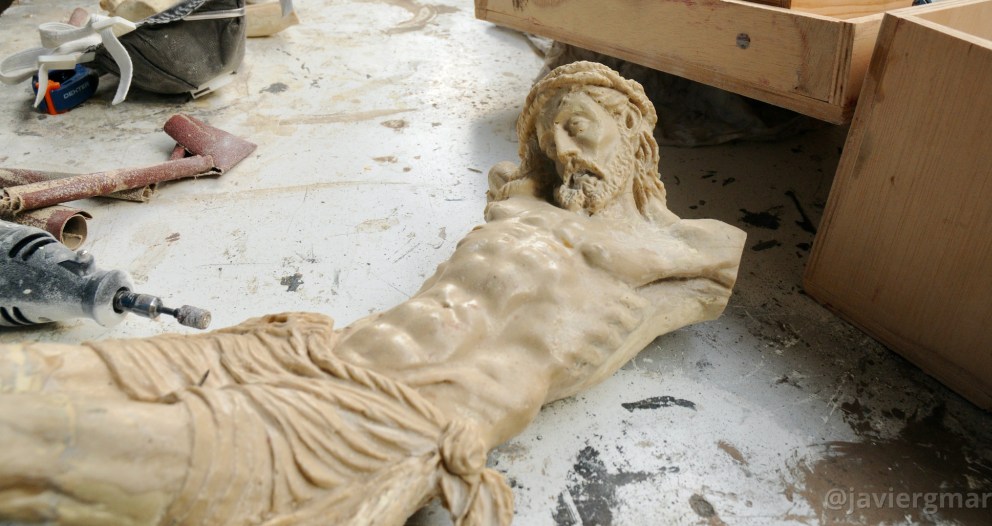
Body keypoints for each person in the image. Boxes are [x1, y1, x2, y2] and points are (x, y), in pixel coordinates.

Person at [0, 62, 745, 526]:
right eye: (550, 140)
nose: (564, 152)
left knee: (42, 445)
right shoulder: (519, 201)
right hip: (303, 351)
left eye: (580, 129)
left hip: (374, 425)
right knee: (27, 379)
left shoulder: (691, 252)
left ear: (632, 129)